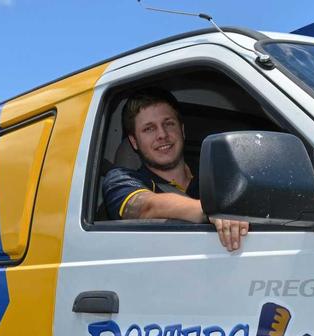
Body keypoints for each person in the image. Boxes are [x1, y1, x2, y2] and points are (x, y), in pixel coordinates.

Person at [102, 87, 249, 251]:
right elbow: (146, 207)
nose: (162, 134)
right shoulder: (120, 180)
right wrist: (210, 211)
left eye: (168, 123)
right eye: (149, 128)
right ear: (134, 141)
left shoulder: (218, 178)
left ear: (182, 130)